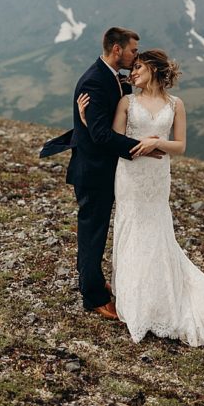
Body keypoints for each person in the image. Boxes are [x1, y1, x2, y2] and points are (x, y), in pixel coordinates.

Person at [77, 49, 204, 350]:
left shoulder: (176, 104)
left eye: (138, 67)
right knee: (132, 230)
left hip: (157, 177)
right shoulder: (127, 101)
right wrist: (85, 120)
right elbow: (110, 140)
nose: (132, 73)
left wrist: (156, 142)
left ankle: (162, 296)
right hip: (130, 177)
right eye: (131, 68)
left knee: (158, 233)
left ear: (154, 69)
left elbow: (180, 145)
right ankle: (136, 297)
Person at [66, 27, 154, 320]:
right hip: (92, 172)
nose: (136, 56)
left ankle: (90, 279)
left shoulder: (110, 79)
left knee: (94, 230)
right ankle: (94, 297)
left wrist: (87, 122)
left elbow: (103, 118)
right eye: (132, 51)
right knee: (93, 233)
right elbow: (102, 136)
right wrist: (141, 147)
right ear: (117, 50)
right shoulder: (94, 81)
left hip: (101, 169)